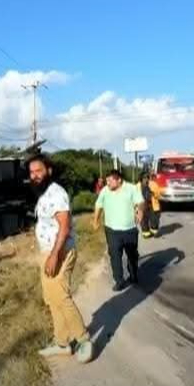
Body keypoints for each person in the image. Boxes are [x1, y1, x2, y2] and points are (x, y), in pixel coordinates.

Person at [28, 154, 94, 363]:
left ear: (49, 170)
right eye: (31, 173)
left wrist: (54, 255)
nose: (34, 176)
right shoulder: (44, 194)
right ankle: (62, 343)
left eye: (38, 171)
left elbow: (64, 227)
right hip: (48, 251)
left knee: (61, 296)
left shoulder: (56, 193)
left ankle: (84, 339)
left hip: (60, 251)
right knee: (51, 299)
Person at [93, 170, 145, 292]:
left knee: (132, 255)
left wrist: (141, 210)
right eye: (107, 181)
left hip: (130, 229)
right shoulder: (105, 190)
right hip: (111, 230)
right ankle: (119, 280)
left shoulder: (131, 189)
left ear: (119, 180)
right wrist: (96, 220)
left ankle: (133, 274)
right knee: (114, 256)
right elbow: (98, 205)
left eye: (110, 180)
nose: (107, 183)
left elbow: (141, 202)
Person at [137, 172, 162, 238]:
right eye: (144, 178)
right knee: (143, 221)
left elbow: (159, 195)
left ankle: (154, 231)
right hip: (143, 206)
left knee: (154, 220)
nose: (146, 179)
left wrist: (153, 194)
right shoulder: (137, 186)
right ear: (141, 179)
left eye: (147, 178)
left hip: (152, 206)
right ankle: (146, 233)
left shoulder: (153, 184)